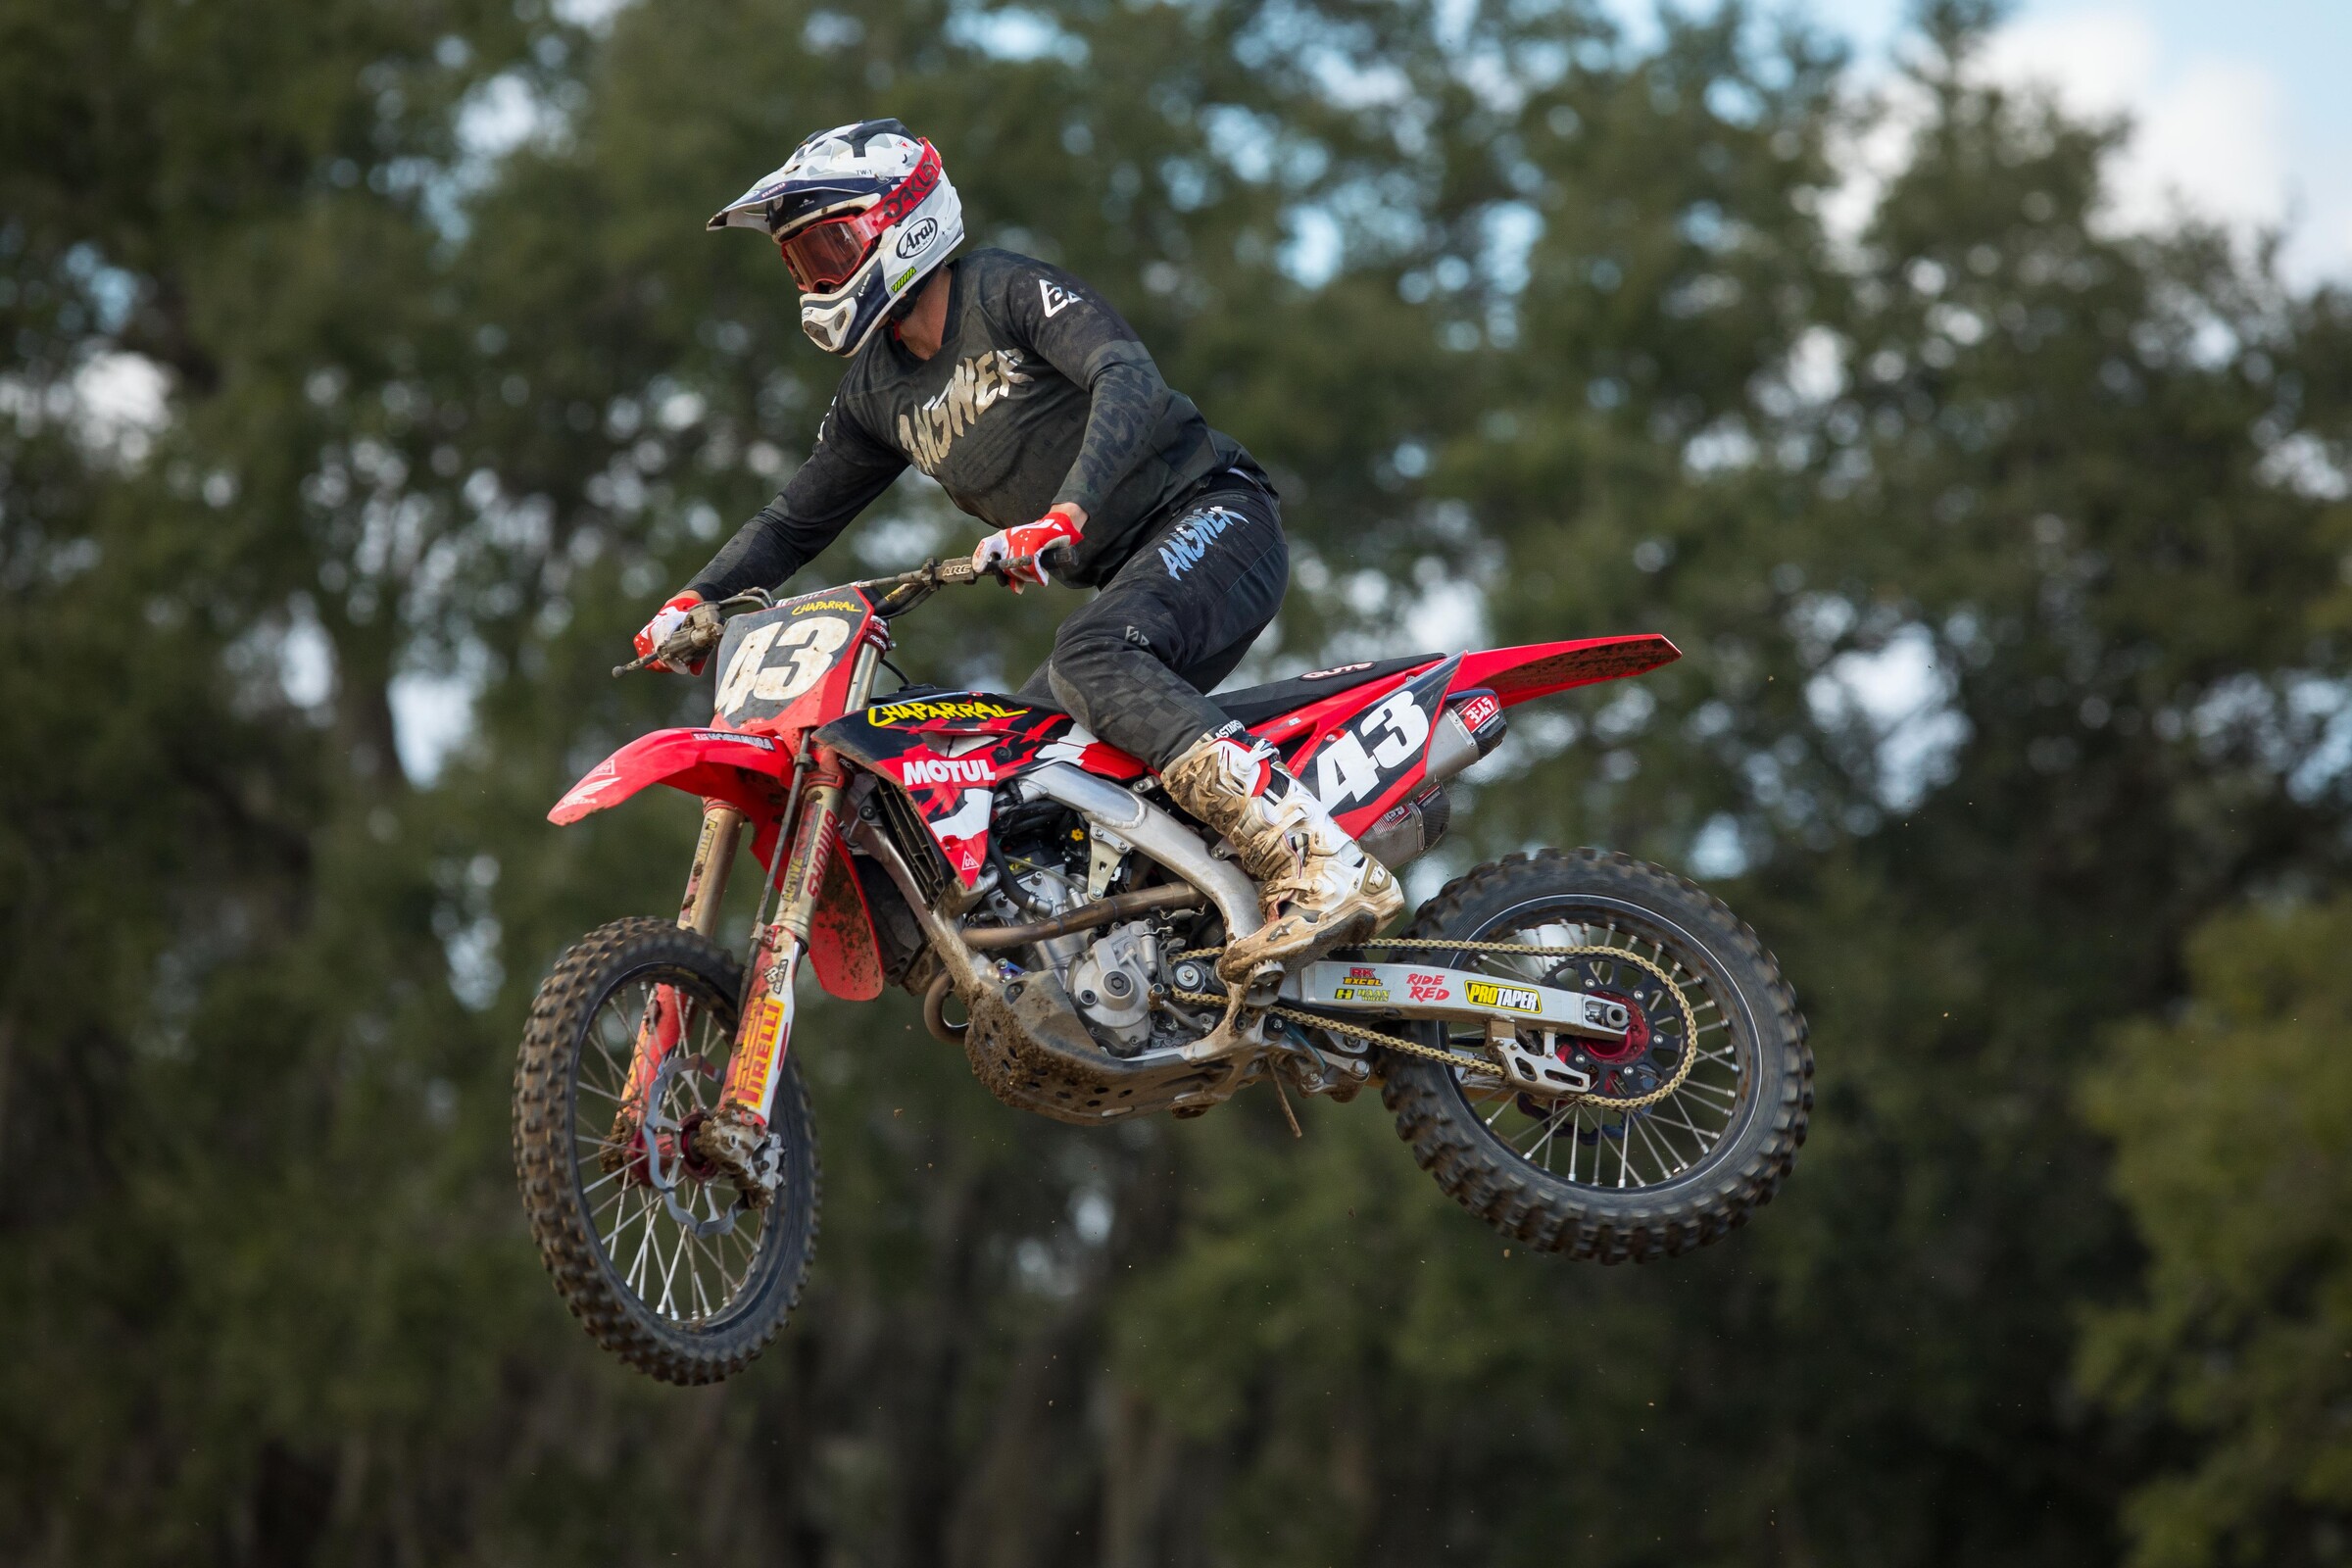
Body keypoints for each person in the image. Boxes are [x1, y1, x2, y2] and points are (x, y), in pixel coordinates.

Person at [636, 119, 1400, 984]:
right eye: (801, 262)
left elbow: (1127, 376)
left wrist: (1067, 512)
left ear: (904, 221)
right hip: (1132, 575)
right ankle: (1139, 968)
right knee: (1007, 770)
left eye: (830, 247)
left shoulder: (1002, 290)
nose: (817, 279)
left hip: (1216, 514)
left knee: (1092, 656)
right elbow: (792, 523)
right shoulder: (875, 394)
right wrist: (694, 600)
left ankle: (1320, 861)